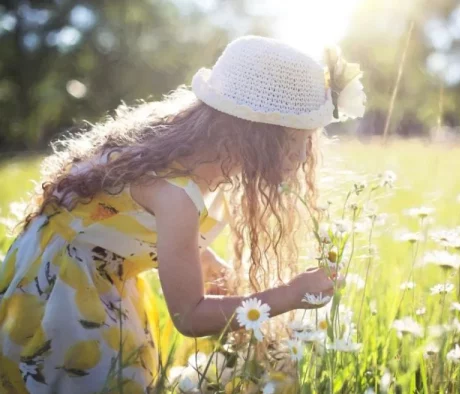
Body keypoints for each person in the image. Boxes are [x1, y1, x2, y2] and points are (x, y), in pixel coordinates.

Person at [0, 35, 366, 393]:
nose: (304, 158)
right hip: (62, 288)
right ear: (256, 135)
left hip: (89, 266)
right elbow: (189, 316)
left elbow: (117, 216)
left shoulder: (187, 151)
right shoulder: (176, 195)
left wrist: (202, 257)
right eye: (298, 141)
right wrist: (290, 294)